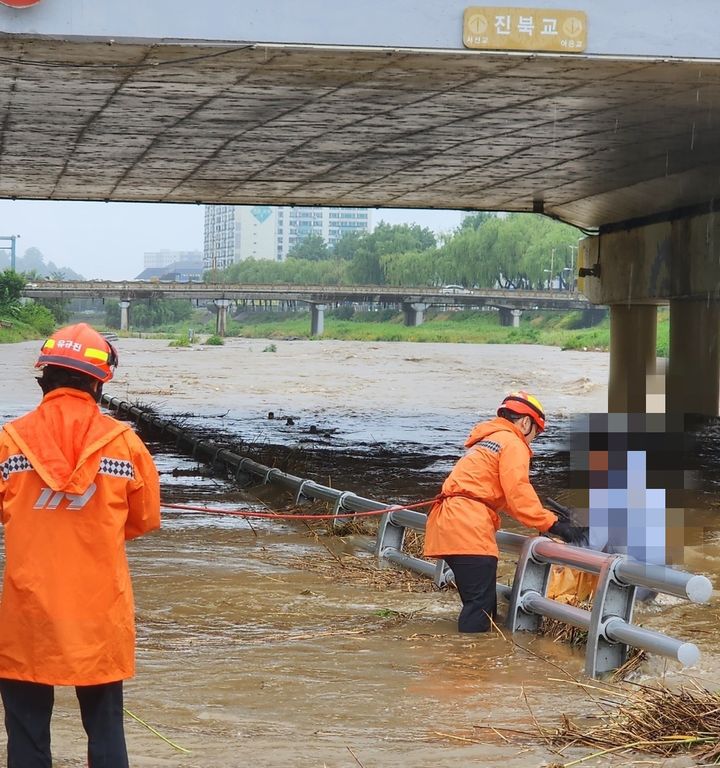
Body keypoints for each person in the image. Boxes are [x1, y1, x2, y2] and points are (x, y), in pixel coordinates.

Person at [0, 323, 161, 768]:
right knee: (106, 731)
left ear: (44, 377)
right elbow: (143, 520)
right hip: (99, 616)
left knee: (27, 736)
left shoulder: (9, 442)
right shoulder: (125, 444)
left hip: (28, 616)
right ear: (97, 381)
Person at [423, 391, 586, 633]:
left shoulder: (490, 440)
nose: (534, 439)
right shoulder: (513, 442)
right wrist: (555, 525)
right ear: (525, 422)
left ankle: (473, 659)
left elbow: (508, 496)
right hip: (468, 527)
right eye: (537, 433)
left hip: (453, 522)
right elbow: (518, 492)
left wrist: (545, 518)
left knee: (483, 605)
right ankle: (469, 664)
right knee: (478, 608)